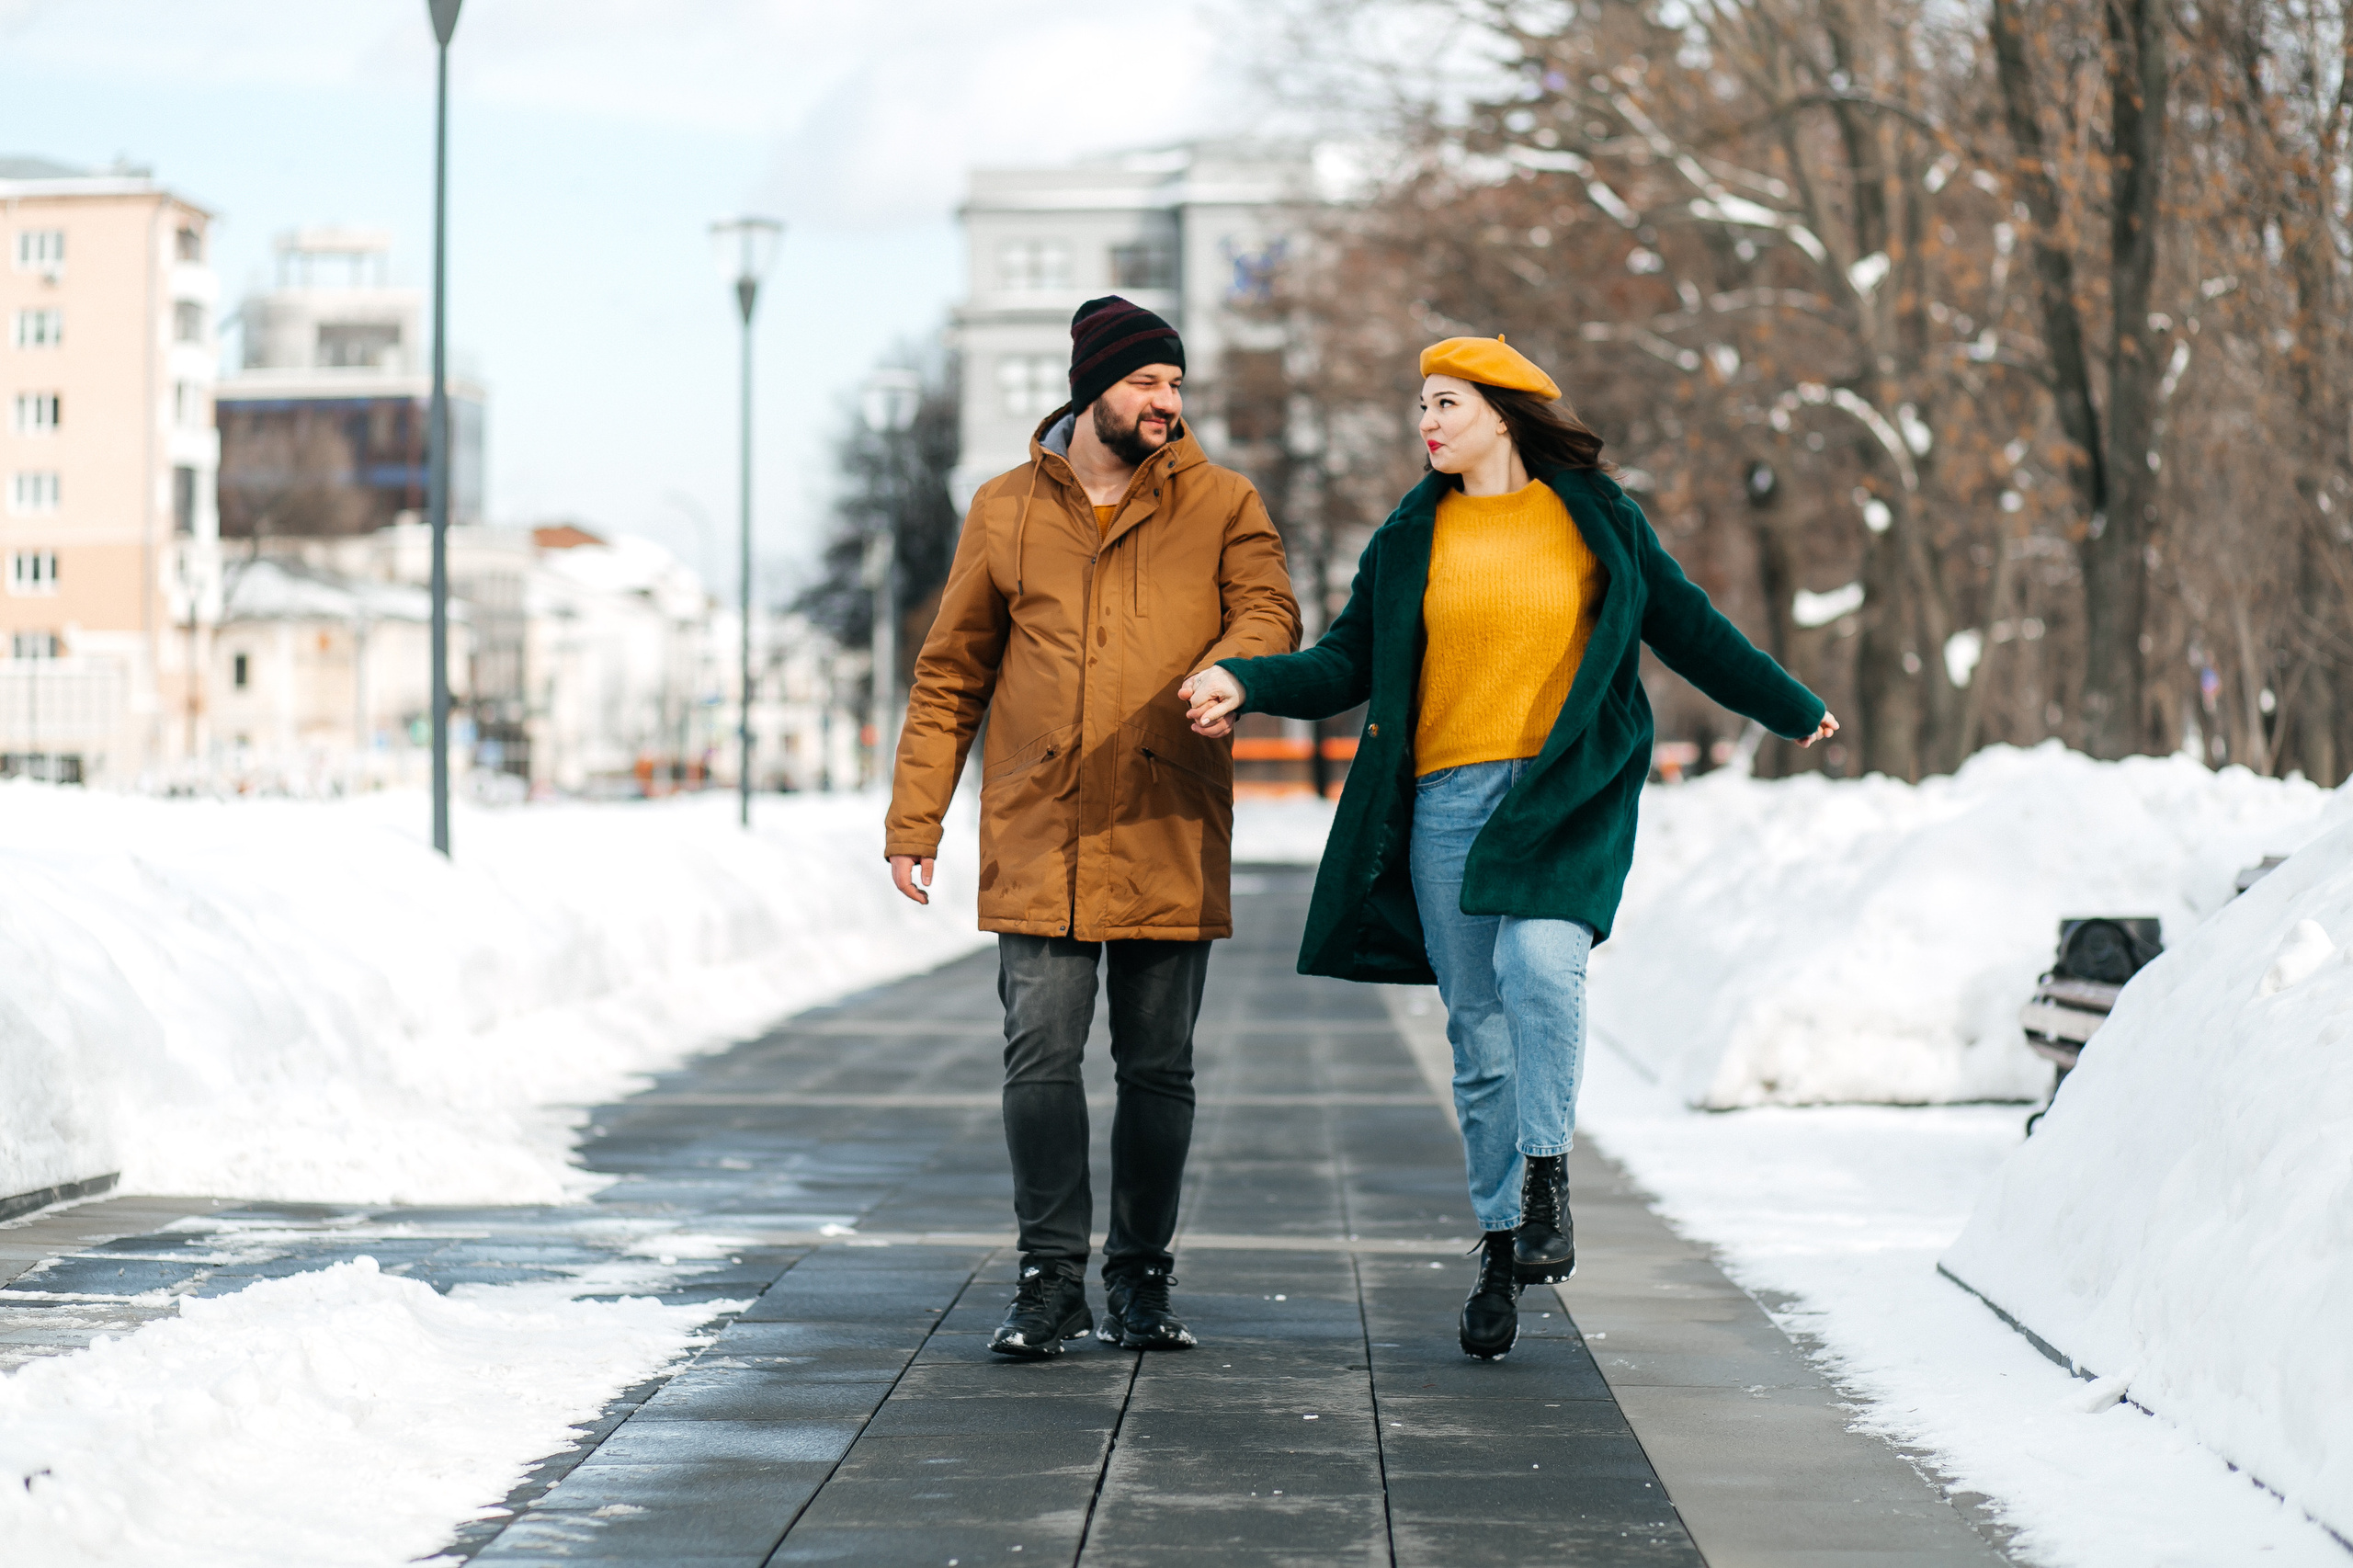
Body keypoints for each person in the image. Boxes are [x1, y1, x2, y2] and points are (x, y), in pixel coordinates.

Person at [1180, 335, 1835, 1359]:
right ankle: (1499, 1239)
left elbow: (1689, 627)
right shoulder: (1409, 537)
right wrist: (1246, 681)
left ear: (1501, 410)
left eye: (1444, 403)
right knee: (1477, 1031)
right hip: (1447, 798)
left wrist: (1789, 706)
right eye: (1422, 407)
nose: (1426, 423)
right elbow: (1348, 659)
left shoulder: (1597, 517)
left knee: (1540, 959)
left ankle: (1546, 1175)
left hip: (1563, 786)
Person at [886, 296, 1301, 1359]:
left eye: (1175, 384)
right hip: (1041, 819)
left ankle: (1142, 1276)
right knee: (1040, 1055)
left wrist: (1237, 666)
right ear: (1092, 390)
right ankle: (1049, 1277)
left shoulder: (1224, 503)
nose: (1168, 401)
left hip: (1166, 810)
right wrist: (917, 814)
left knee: (1158, 1064)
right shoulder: (1003, 508)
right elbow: (950, 672)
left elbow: (1269, 611)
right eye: (1147, 383)